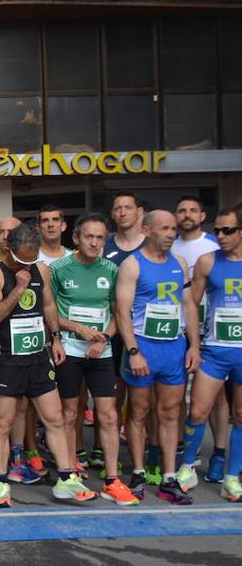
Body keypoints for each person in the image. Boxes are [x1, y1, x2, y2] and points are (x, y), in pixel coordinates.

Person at [0, 223, 97, 508]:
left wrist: (56, 337)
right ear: (8, 251)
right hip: (8, 359)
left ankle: (66, 478)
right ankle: (1, 484)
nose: (29, 265)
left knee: (55, 419)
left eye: (33, 259)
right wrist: (19, 287)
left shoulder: (41, 269)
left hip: (37, 356)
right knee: (3, 423)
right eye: (23, 260)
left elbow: (47, 307)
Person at [50, 213, 137, 505]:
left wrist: (104, 339)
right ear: (75, 238)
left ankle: (112, 479)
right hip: (71, 350)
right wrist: (76, 329)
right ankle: (70, 469)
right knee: (69, 414)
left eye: (100, 237)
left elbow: (117, 311)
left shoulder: (112, 269)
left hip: (101, 352)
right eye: (89, 236)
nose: (94, 242)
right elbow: (49, 313)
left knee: (109, 415)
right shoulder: (59, 268)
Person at [116, 210, 201, 504]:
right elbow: (122, 311)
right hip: (144, 347)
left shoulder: (178, 263)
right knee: (138, 412)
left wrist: (194, 346)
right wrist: (134, 352)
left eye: (173, 229)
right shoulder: (132, 264)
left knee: (170, 412)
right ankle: (138, 473)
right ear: (147, 230)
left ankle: (168, 477)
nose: (170, 234)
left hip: (173, 347)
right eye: (164, 228)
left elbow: (189, 305)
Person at [179, 204, 242, 501]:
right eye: (217, 230)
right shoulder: (206, 261)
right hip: (216, 350)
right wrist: (194, 342)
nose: (220, 236)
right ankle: (187, 466)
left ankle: (232, 477)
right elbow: (190, 302)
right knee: (198, 410)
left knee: (240, 415)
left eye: (228, 230)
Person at [105, 192, 145, 264]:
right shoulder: (103, 246)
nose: (123, 213)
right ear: (112, 214)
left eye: (128, 208)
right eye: (117, 209)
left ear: (139, 212)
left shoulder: (151, 244)